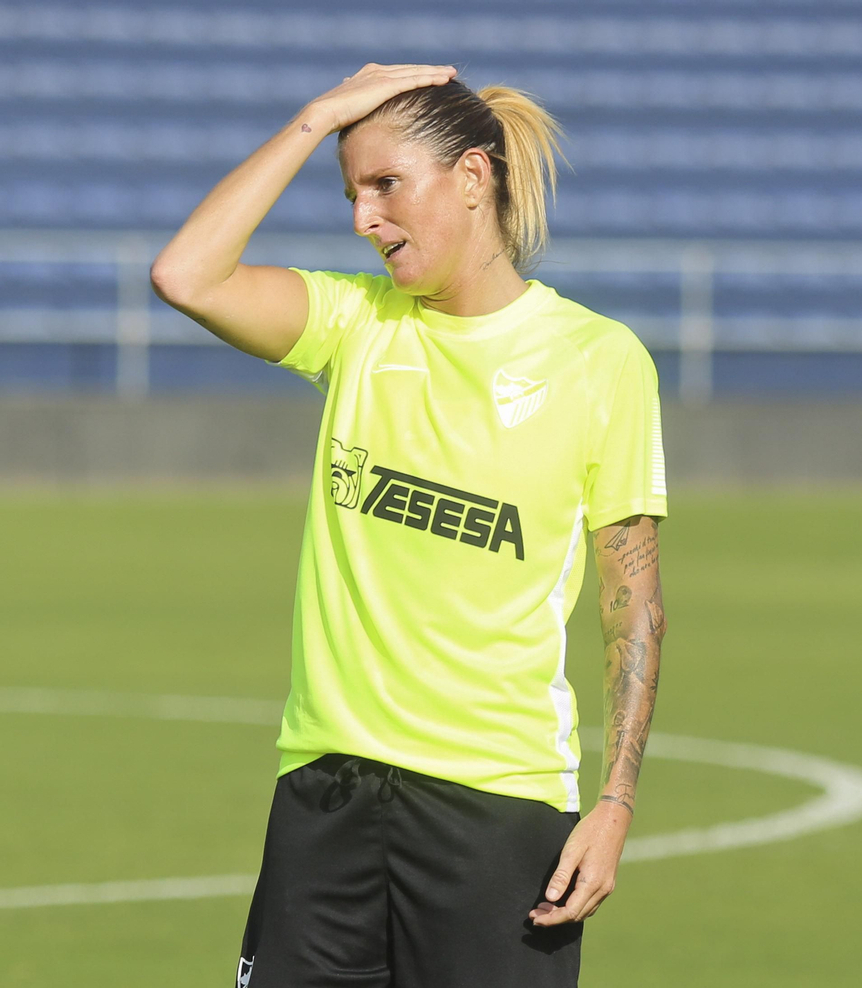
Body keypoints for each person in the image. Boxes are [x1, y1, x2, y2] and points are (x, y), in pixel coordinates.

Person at [151, 64, 668, 987]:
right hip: (325, 796)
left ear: (473, 179)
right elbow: (185, 274)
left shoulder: (600, 361)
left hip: (497, 815)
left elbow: (635, 606)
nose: (363, 218)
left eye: (386, 185)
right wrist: (317, 118)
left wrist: (616, 803)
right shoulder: (356, 324)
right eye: (351, 193)